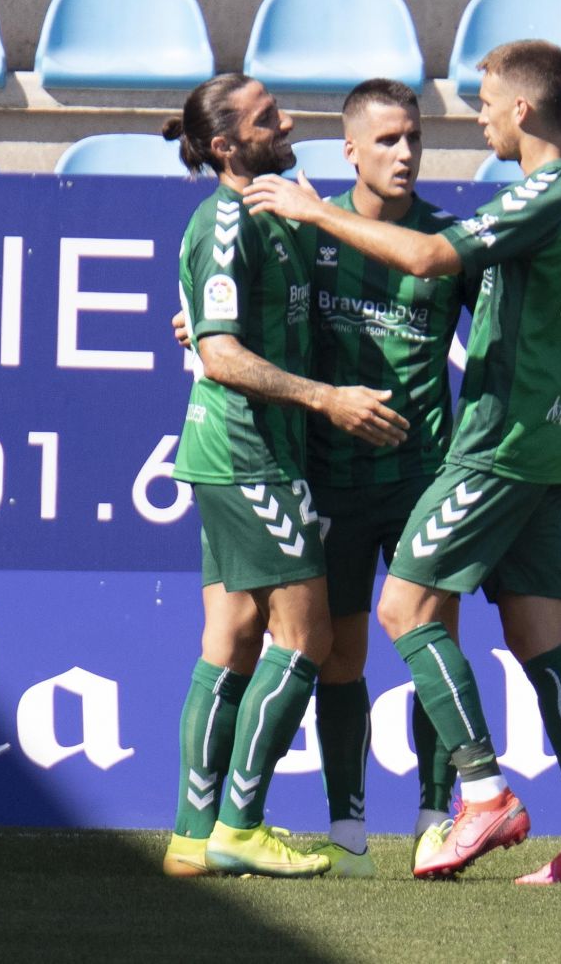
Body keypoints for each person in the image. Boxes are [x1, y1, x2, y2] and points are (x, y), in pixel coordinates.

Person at [243, 39, 561, 884]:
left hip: (496, 445)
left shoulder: (541, 193)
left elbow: (426, 258)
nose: (476, 116)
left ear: (522, 109)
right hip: (549, 444)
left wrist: (312, 212)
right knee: (539, 639)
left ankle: (481, 794)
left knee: (404, 612)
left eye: (486, 101)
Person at [160, 73, 408, 879]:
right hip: (247, 454)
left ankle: (191, 838)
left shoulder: (274, 212)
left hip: (238, 452)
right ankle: (241, 823)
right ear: (228, 145)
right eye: (269, 118)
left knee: (231, 637)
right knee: (306, 636)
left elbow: (215, 325)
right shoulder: (225, 219)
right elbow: (222, 352)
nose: (288, 120)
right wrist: (326, 398)